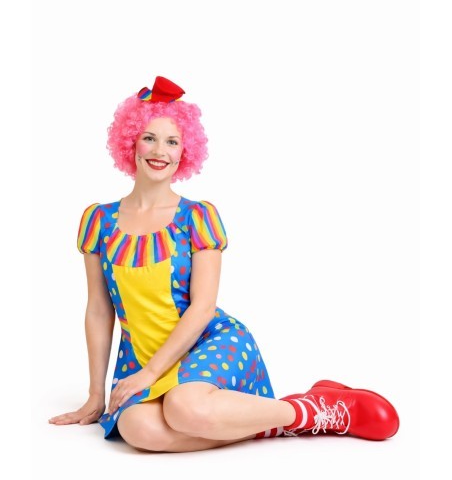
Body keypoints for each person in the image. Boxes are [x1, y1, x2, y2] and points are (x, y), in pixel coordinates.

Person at [48, 76, 400, 452]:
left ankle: (316, 410)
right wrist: (95, 394)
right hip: (141, 358)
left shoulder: (198, 217)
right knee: (137, 430)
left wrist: (151, 374)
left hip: (209, 343)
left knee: (185, 408)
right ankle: (264, 421)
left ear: (185, 151)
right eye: (149, 138)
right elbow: (99, 310)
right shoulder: (99, 221)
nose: (160, 151)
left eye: (172, 141)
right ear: (131, 141)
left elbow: (202, 308)